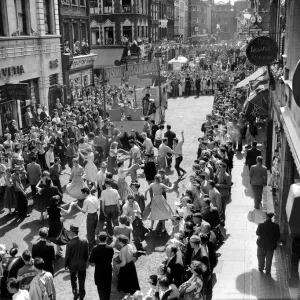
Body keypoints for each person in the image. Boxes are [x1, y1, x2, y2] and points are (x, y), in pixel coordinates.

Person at [65, 225, 89, 300]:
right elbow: (86, 254)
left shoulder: (69, 243)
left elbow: (67, 256)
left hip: (72, 265)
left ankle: (75, 293)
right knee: (82, 281)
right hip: (82, 264)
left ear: (72, 233)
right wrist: (85, 262)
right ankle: (82, 296)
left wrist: (66, 264)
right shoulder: (85, 241)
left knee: (73, 280)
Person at [89, 231, 114, 300]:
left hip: (98, 271)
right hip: (108, 270)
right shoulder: (110, 248)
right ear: (106, 239)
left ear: (98, 238)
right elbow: (111, 256)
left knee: (100, 289)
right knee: (108, 288)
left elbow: (91, 260)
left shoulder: (95, 248)